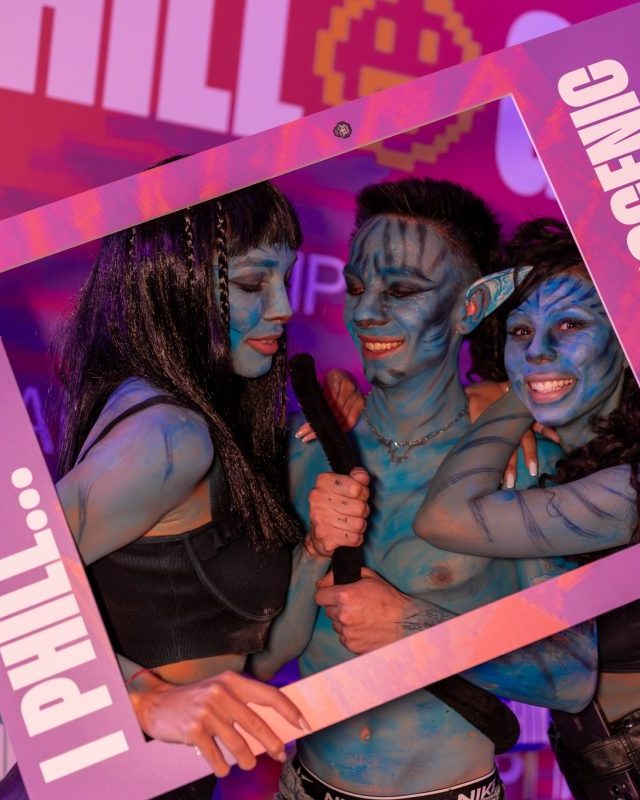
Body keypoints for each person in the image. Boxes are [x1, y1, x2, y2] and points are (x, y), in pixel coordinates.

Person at [252, 181, 598, 800]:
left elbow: (570, 678)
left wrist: (412, 626)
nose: (365, 313)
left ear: (471, 306)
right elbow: (268, 656)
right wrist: (311, 553)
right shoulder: (306, 445)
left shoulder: (520, 465)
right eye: (356, 287)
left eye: (401, 291)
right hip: (305, 784)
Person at [2, 181, 309, 800]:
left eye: (286, 280)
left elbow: (260, 655)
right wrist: (145, 698)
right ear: (176, 284)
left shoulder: (175, 415)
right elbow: (14, 580)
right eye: (253, 283)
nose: (283, 307)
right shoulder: (172, 436)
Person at [416, 218, 640, 798]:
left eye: (570, 324)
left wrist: (517, 394)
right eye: (519, 331)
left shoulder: (631, 486)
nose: (538, 349)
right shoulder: (559, 459)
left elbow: (444, 519)